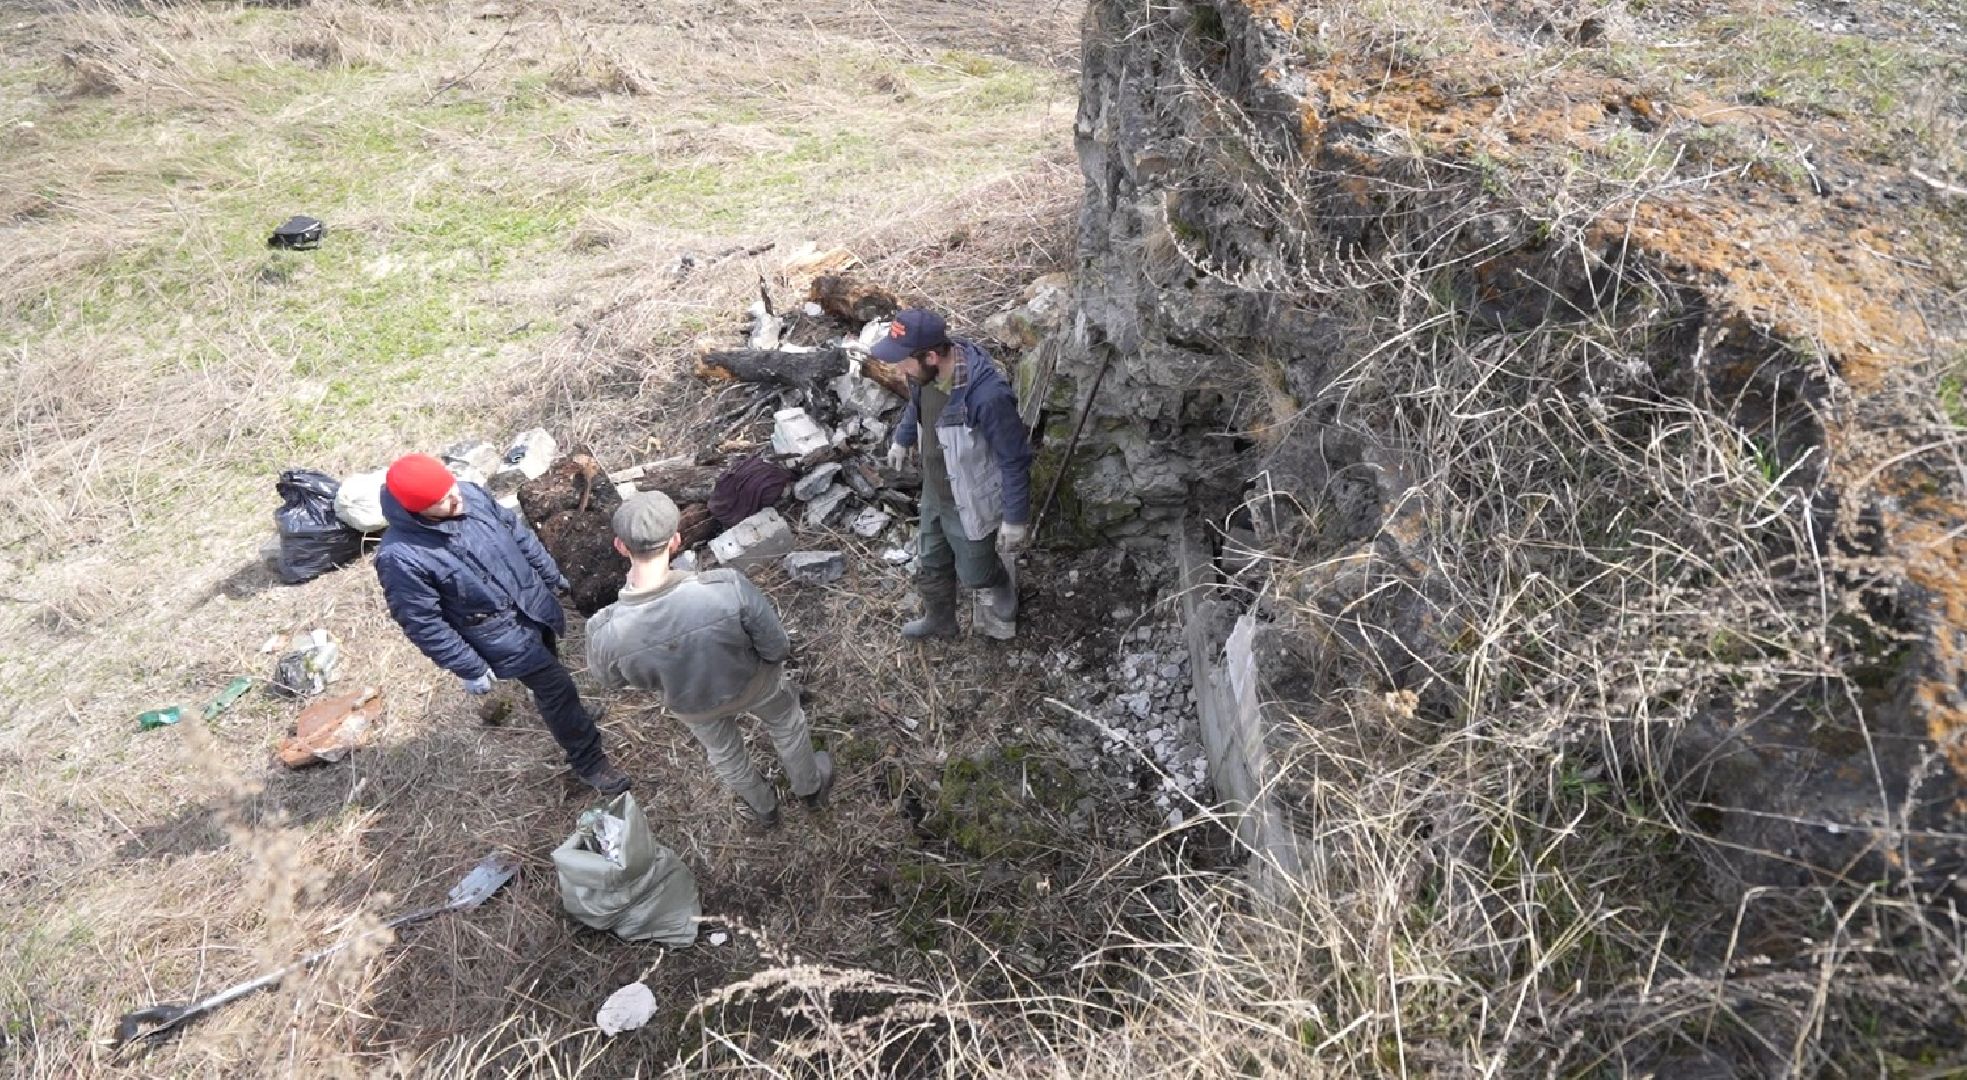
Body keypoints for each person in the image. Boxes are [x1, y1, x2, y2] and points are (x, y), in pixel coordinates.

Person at [373, 453, 630, 795]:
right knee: (557, 689)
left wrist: (551, 575)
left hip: (533, 604)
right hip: (497, 634)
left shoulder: (472, 494)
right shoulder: (400, 556)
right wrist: (469, 667)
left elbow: (518, 534)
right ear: (416, 510)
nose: (456, 499)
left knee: (553, 669)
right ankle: (590, 763)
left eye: (452, 488)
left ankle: (572, 715)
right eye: (442, 501)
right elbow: (423, 622)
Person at [585, 491, 833, 830]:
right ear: (675, 541)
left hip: (692, 705)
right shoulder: (724, 588)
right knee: (787, 724)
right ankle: (810, 790)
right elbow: (776, 645)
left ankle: (765, 809)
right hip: (755, 682)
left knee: (726, 755)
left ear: (620, 546)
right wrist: (771, 666)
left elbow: (609, 680)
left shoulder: (605, 632)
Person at [873, 308, 1034, 640]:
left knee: (975, 572)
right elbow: (915, 407)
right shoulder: (922, 375)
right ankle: (940, 620)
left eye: (903, 360)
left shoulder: (987, 396)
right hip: (935, 489)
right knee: (930, 559)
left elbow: (1014, 459)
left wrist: (1015, 518)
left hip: (969, 497)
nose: (897, 367)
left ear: (931, 356)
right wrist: (903, 439)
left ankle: (999, 582)